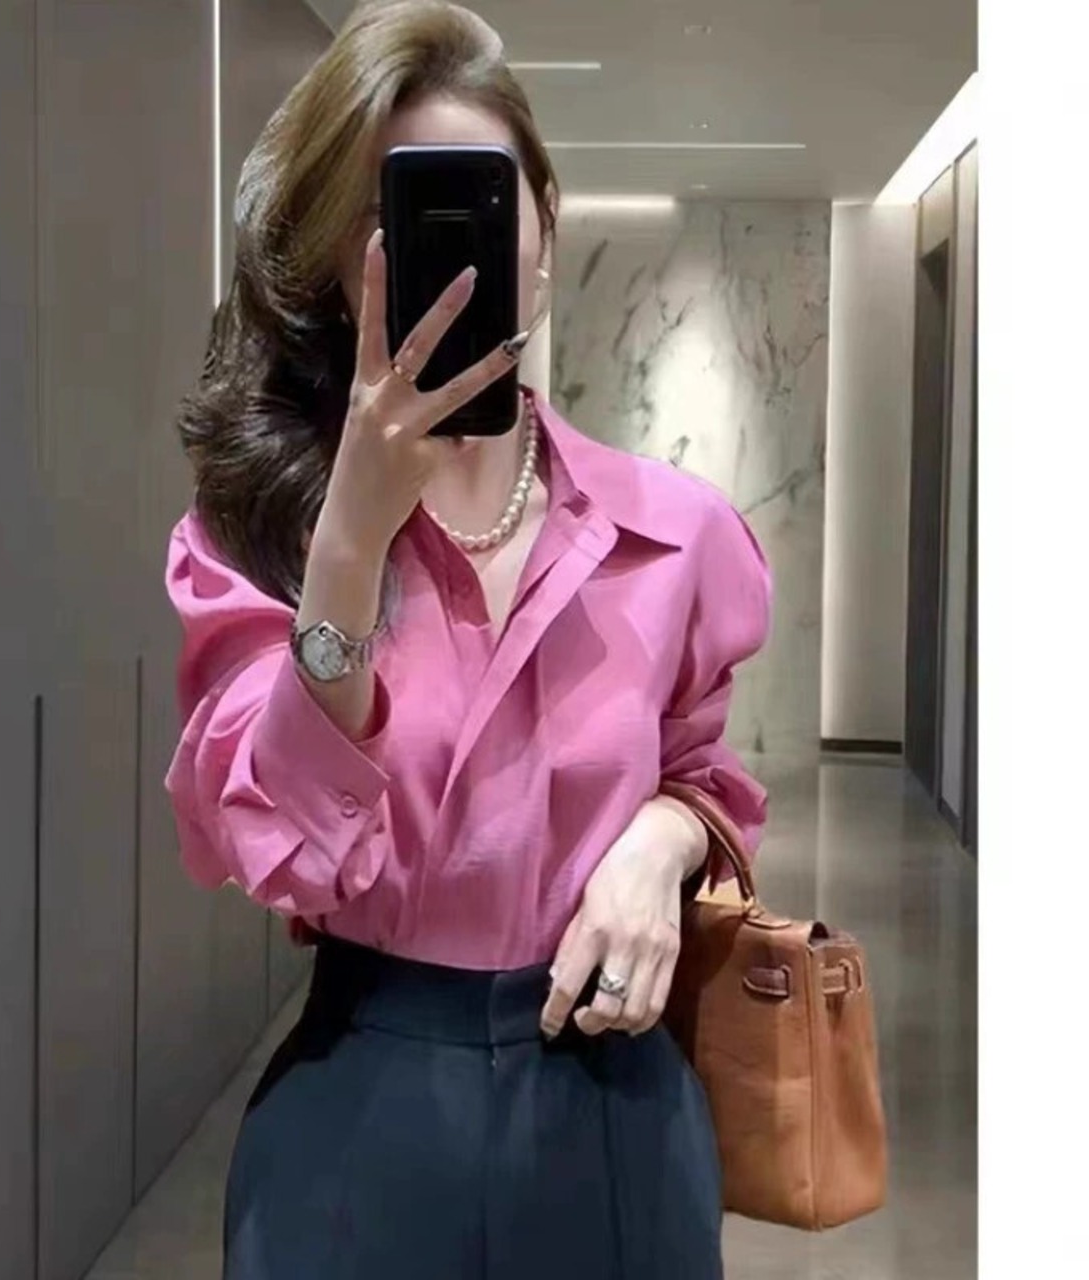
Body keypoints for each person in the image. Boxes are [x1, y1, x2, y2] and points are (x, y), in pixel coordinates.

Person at [166, 3, 770, 1277]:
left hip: (615, 1107)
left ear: (542, 231)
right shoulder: (258, 533)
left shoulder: (673, 536)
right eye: (392, 216)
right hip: (361, 1108)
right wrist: (347, 546)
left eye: (481, 207)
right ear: (341, 263)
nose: (444, 258)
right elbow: (270, 849)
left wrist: (660, 843)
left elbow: (702, 773)